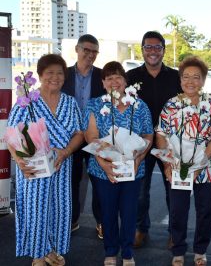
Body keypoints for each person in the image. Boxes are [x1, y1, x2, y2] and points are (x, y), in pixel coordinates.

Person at [7, 54, 84, 266]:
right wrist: (19, 161)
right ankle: (38, 255)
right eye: (49, 72)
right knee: (37, 210)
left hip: (61, 164)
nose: (55, 77)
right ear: (40, 75)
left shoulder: (69, 102)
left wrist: (66, 151)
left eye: (60, 73)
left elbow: (79, 133)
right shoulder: (27, 100)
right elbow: (11, 136)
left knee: (59, 210)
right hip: (34, 168)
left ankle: (52, 249)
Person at [156, 56, 211, 266]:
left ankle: (200, 251)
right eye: (186, 77)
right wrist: (168, 163)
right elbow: (161, 133)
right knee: (178, 211)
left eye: (196, 77)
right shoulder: (171, 105)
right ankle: (178, 250)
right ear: (180, 80)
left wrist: (200, 162)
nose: (190, 81)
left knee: (205, 211)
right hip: (177, 169)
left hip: (207, 169)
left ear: (203, 80)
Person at [83, 61, 153, 266]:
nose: (114, 82)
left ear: (125, 81)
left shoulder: (139, 105)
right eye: (109, 78)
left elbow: (148, 133)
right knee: (108, 211)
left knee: (130, 212)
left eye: (118, 77)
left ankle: (128, 252)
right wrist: (104, 164)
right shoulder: (95, 104)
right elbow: (91, 137)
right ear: (103, 82)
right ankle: (111, 252)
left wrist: (139, 158)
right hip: (103, 169)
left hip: (133, 169)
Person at [126, 31, 182, 248]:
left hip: (171, 143)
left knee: (173, 189)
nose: (152, 51)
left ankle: (174, 232)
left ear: (163, 50)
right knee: (140, 191)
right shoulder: (130, 77)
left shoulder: (176, 76)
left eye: (157, 47)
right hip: (141, 141)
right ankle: (141, 229)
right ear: (142, 49)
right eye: (148, 47)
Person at [62, 34, 106, 238]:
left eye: (94, 51)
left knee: (99, 180)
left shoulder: (101, 76)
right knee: (71, 180)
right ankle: (72, 220)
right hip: (69, 137)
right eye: (86, 50)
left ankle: (101, 222)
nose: (90, 54)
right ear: (77, 50)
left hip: (95, 136)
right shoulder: (63, 74)